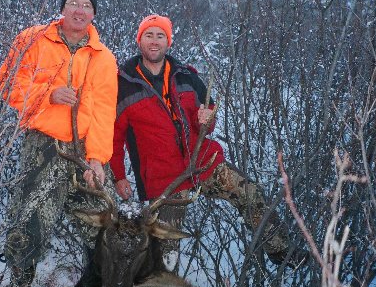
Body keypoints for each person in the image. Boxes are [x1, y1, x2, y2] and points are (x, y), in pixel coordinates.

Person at [110, 14, 306, 271]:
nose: (154, 41)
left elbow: (208, 111)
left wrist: (207, 118)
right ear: (140, 40)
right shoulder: (122, 84)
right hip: (164, 179)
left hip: (204, 163)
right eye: (149, 35)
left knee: (250, 194)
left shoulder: (186, 76)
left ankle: (284, 254)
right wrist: (118, 176)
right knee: (165, 255)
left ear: (168, 41)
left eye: (160, 35)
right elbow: (114, 135)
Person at [0, 0, 118, 287]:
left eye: (87, 6)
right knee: (28, 226)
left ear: (94, 14)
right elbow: (9, 82)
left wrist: (96, 160)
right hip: (44, 145)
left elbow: (104, 112)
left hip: (83, 154)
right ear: (63, 6)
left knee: (106, 230)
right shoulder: (33, 38)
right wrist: (48, 94)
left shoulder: (103, 58)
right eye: (74, 3)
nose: (79, 11)